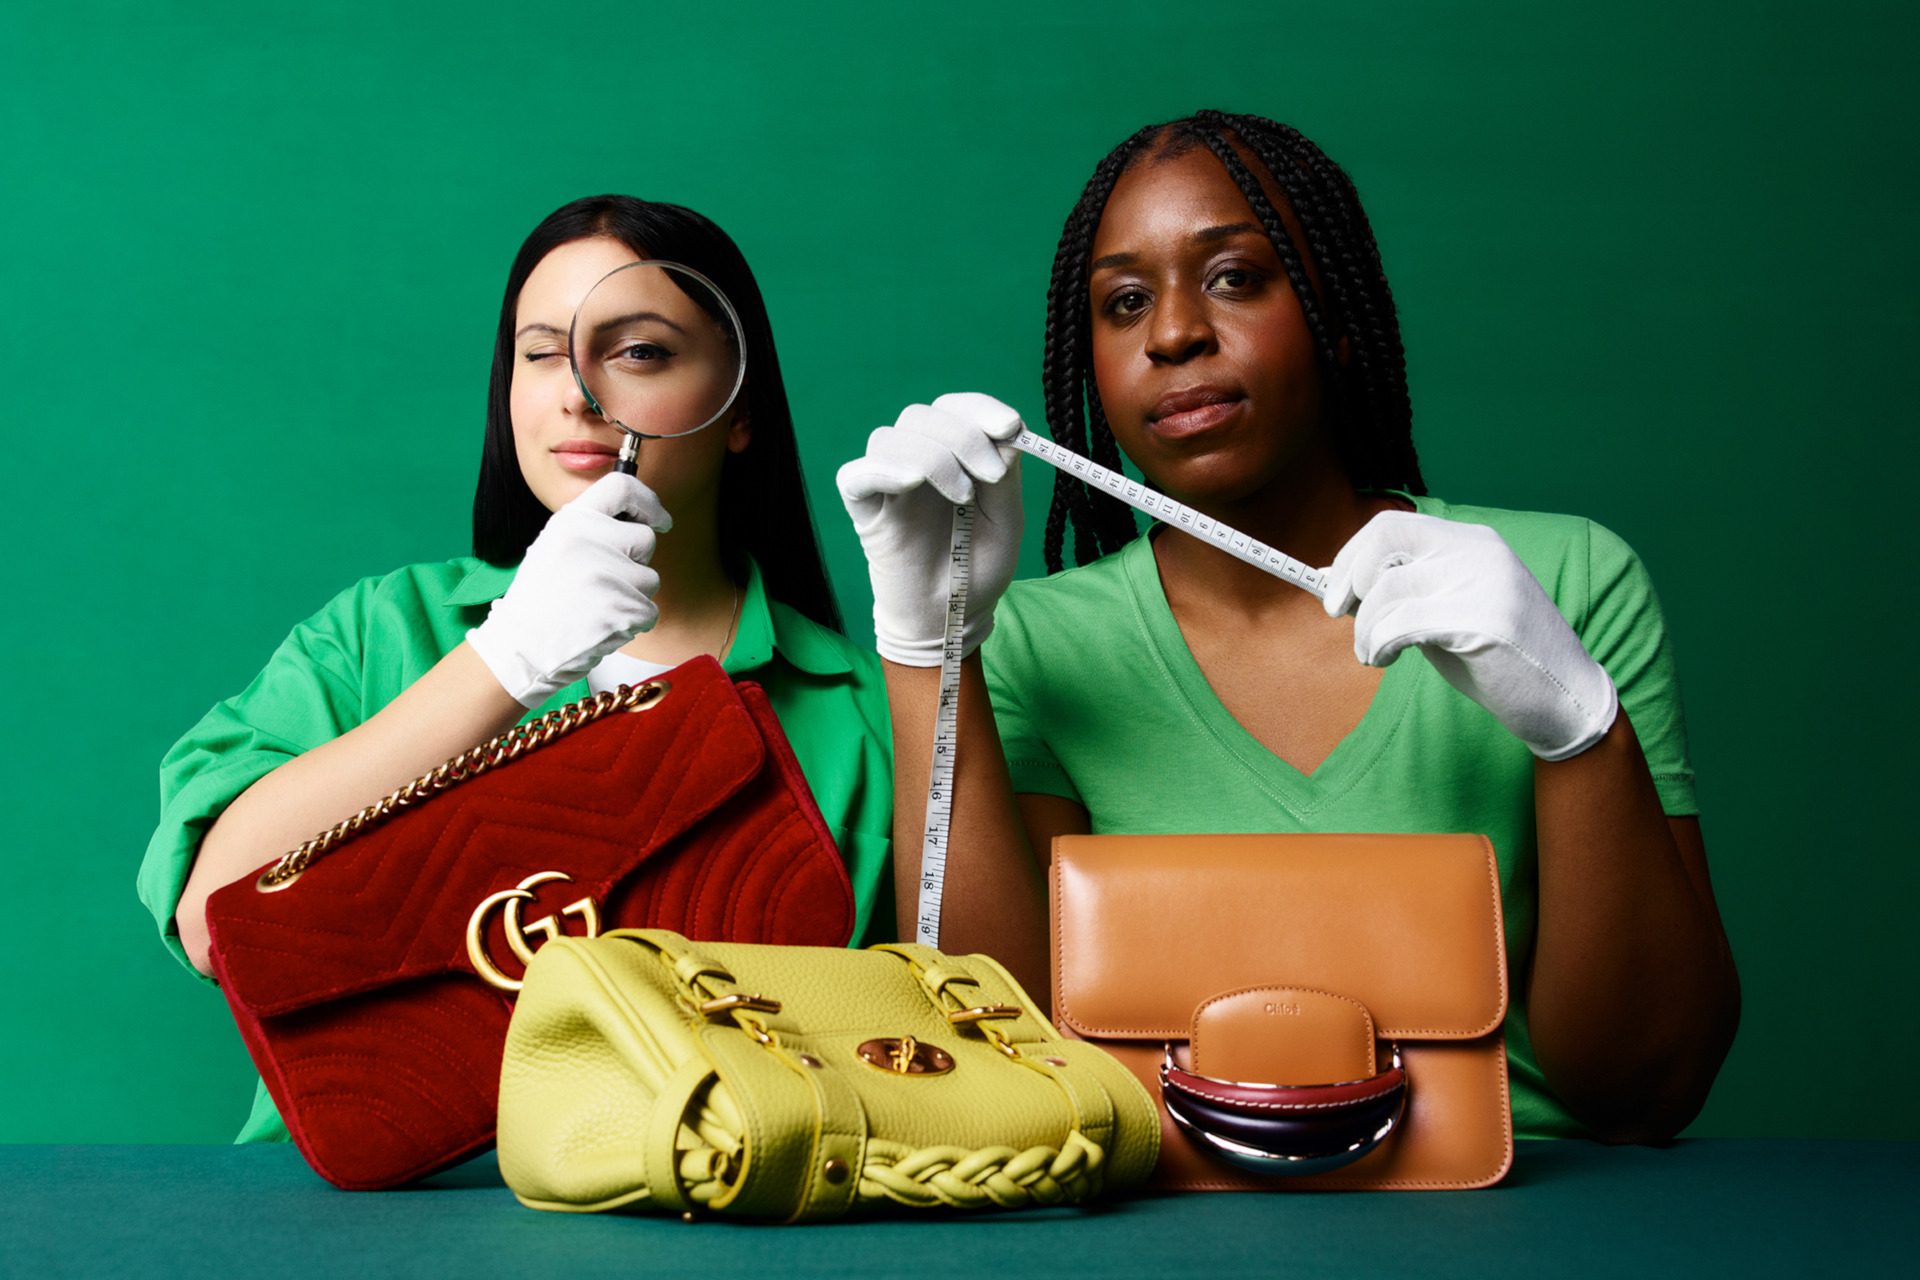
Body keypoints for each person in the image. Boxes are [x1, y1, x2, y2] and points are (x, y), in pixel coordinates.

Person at [837, 112, 1739, 1145]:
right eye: (1125, 302)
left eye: (1234, 276)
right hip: (1161, 1226)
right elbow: (999, 1064)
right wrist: (928, 644)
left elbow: (1650, 1081)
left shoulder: (1566, 576)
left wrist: (1579, 730)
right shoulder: (1037, 645)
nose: (1171, 333)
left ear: (1337, 315)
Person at [139, 195, 894, 1143]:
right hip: (374, 1222)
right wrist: (504, 662)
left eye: (640, 352)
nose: (578, 391)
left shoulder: (863, 711)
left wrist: (938, 646)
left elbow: (944, 1034)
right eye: (541, 353)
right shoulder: (382, 633)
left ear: (740, 407)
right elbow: (218, 925)